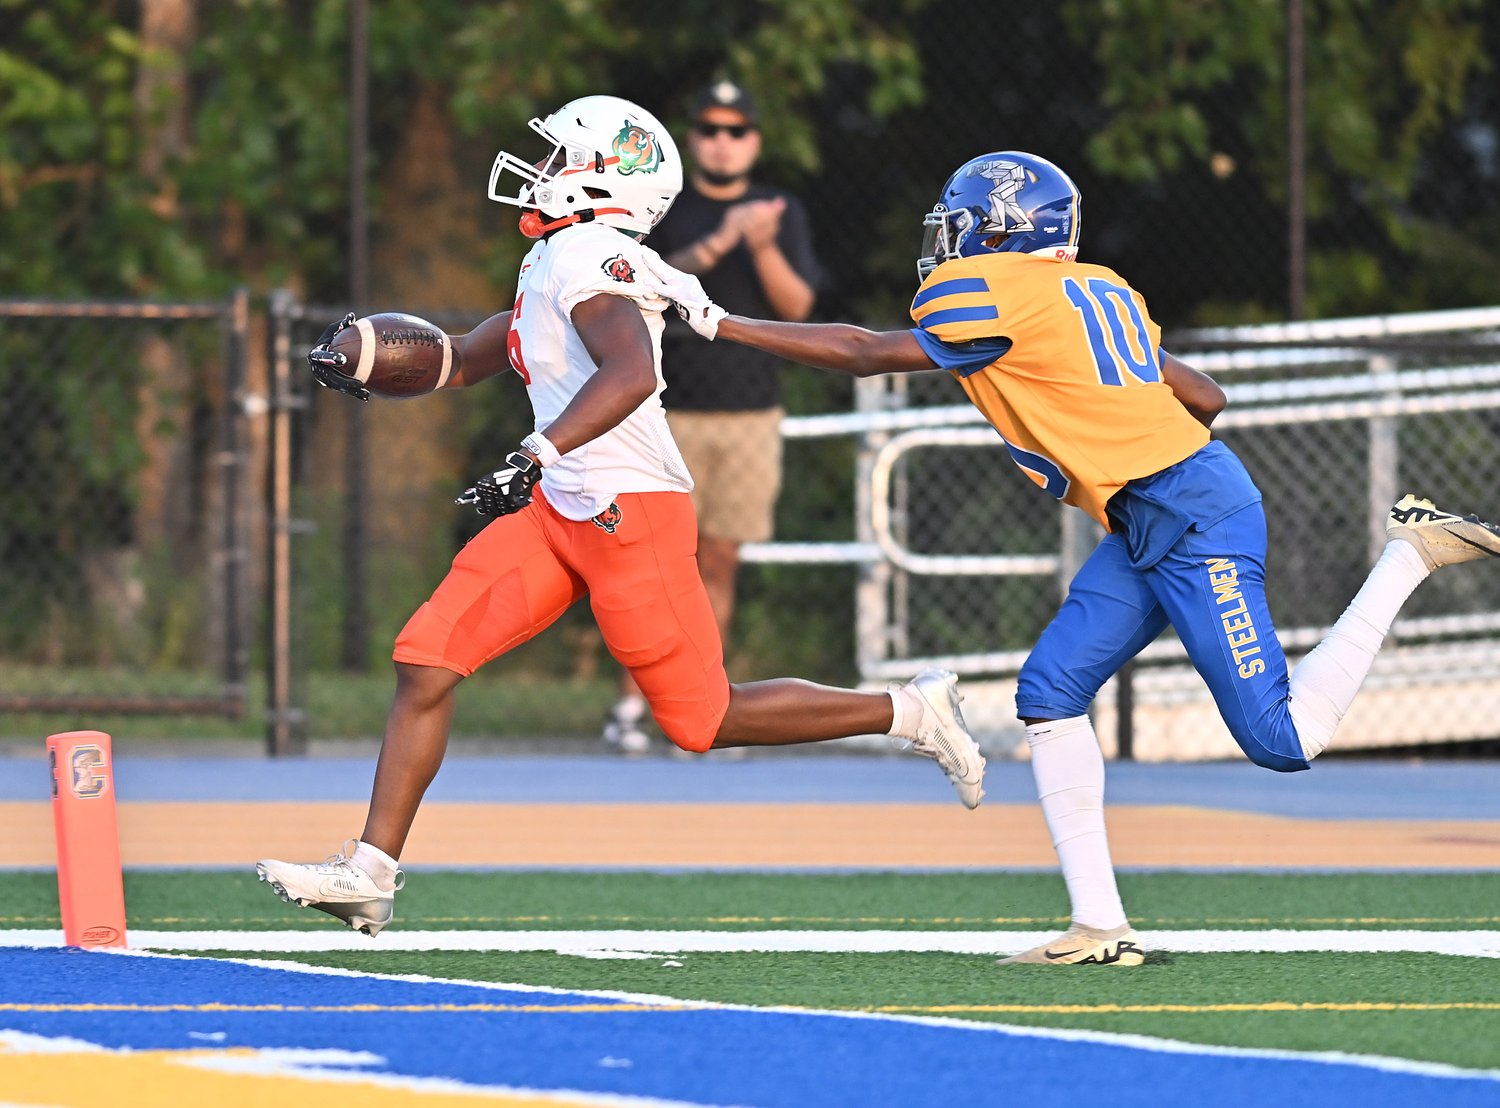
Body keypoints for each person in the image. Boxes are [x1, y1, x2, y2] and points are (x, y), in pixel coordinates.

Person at [649, 150, 1500, 966]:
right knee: (1049, 690)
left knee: (1284, 739)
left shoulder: (984, 290)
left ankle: (1410, 554)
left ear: (1000, 226)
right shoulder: (1100, 288)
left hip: (1189, 517)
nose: (947, 241)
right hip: (1162, 505)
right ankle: (1100, 924)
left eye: (961, 224)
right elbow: (1204, 396)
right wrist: (1119, 454)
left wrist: (719, 321)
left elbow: (868, 355)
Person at [254, 96, 986, 938]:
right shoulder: (558, 258)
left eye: (562, 158)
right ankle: (370, 871)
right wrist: (382, 358)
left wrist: (534, 452)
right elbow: (471, 358)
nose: (543, 171)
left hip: (625, 513)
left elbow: (631, 371)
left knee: (702, 719)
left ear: (605, 180)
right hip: (565, 509)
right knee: (427, 658)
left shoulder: (590, 256)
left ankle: (909, 712)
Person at [601, 80, 822, 755]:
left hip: (749, 413)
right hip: (663, 410)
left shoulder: (783, 211)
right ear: (692, 137)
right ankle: (629, 708)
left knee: (719, 560)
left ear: (754, 140)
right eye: (710, 129)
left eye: (737, 130)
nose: (722, 142)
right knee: (642, 559)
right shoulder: (665, 206)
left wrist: (759, 245)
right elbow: (644, 282)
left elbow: (799, 309)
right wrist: (725, 239)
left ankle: (698, 703)